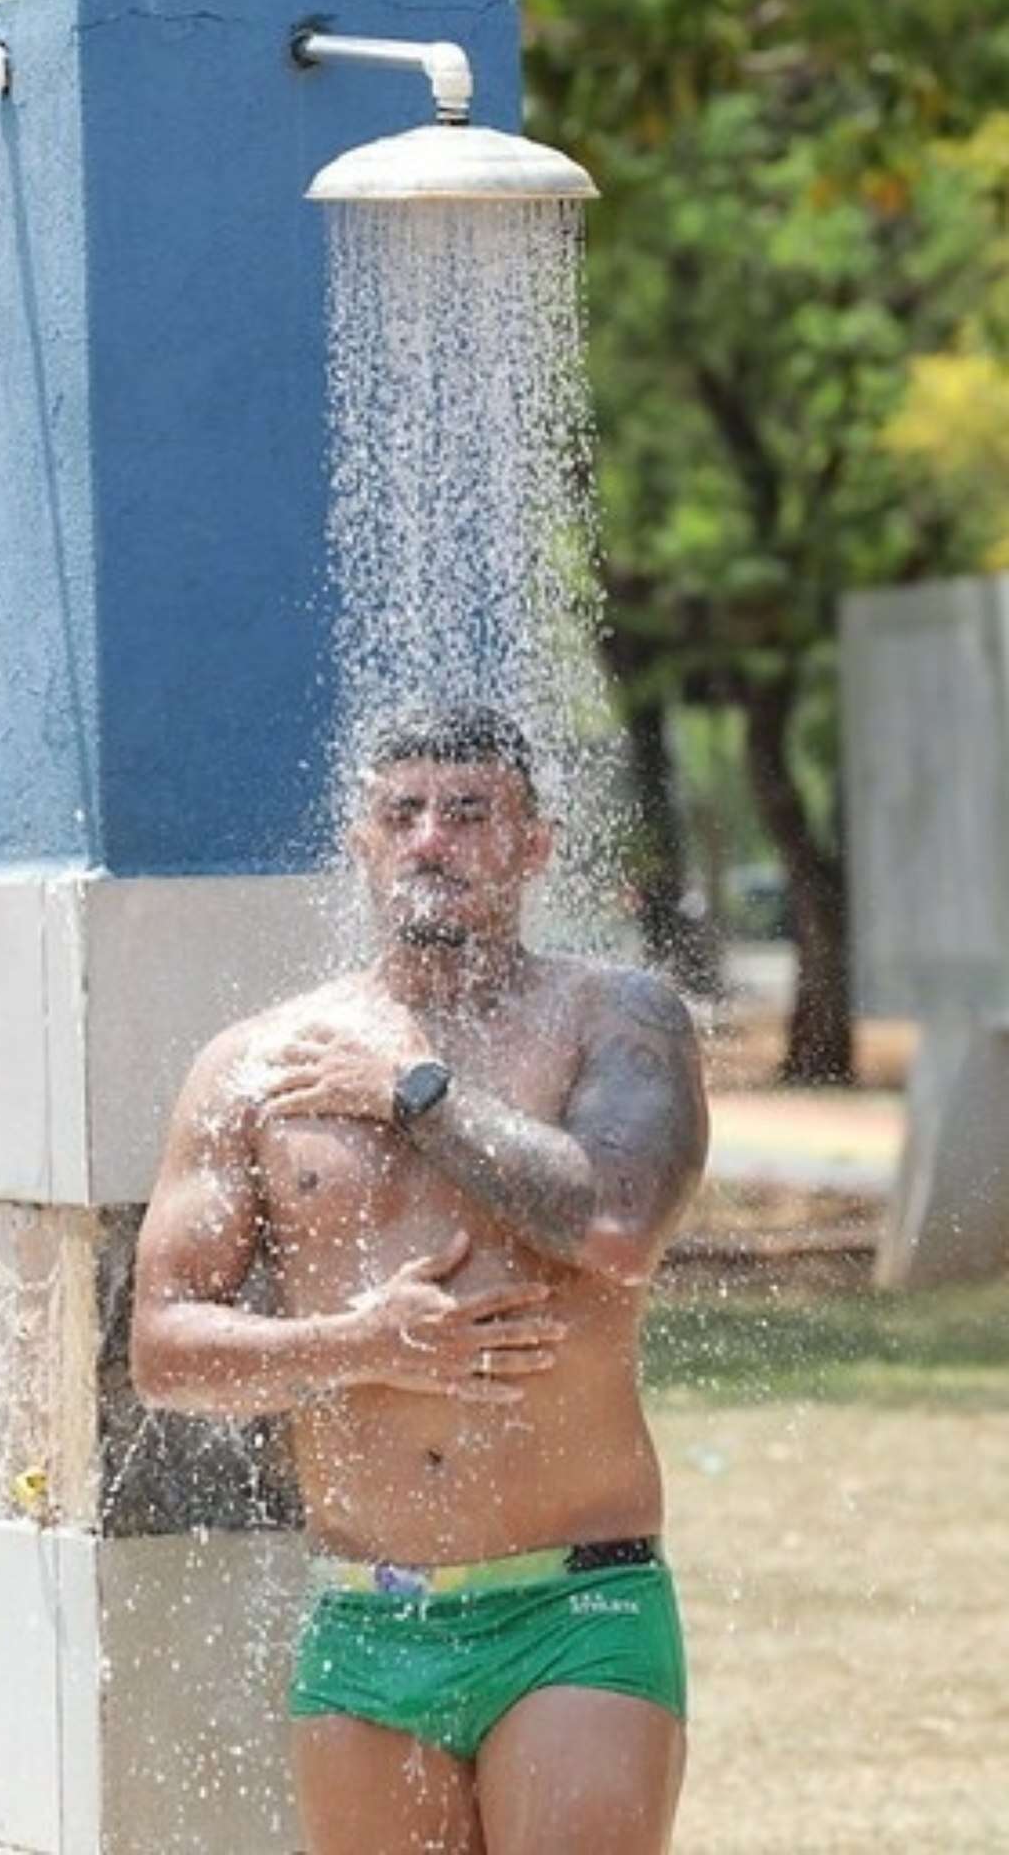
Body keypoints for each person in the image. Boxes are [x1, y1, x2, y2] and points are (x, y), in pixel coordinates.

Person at [130, 704, 709, 1855]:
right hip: (367, 1616)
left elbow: (616, 1224)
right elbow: (162, 1352)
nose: (430, 839)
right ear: (362, 838)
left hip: (572, 1608)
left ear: (536, 843)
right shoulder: (256, 1063)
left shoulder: (614, 1016)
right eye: (402, 812)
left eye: (469, 812)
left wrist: (417, 1089)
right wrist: (361, 1345)